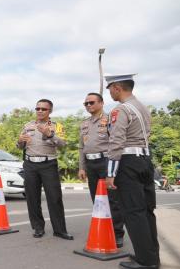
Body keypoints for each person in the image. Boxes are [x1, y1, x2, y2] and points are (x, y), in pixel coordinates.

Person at [104, 74, 160, 269]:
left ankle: (146, 261)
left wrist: (110, 173)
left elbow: (116, 141)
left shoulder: (120, 110)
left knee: (133, 212)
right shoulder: (142, 107)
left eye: (109, 88)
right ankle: (152, 256)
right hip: (144, 159)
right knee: (146, 211)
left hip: (127, 163)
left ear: (118, 88)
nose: (109, 92)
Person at [17, 99, 73, 240]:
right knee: (32, 198)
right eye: (38, 108)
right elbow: (19, 146)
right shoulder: (28, 125)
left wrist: (50, 135)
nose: (40, 111)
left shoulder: (56, 126)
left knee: (54, 198)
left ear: (50, 111)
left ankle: (60, 230)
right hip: (30, 165)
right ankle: (38, 227)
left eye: (44, 109)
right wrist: (20, 141)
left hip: (48, 164)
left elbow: (63, 144)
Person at [78, 92, 125, 248]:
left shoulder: (110, 120)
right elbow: (81, 147)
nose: (88, 106)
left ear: (101, 103)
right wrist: (81, 167)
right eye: (86, 104)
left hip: (106, 162)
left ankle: (117, 233)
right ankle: (103, 229)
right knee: (97, 199)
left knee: (112, 199)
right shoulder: (84, 124)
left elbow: (116, 143)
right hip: (90, 164)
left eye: (91, 102)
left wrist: (114, 165)